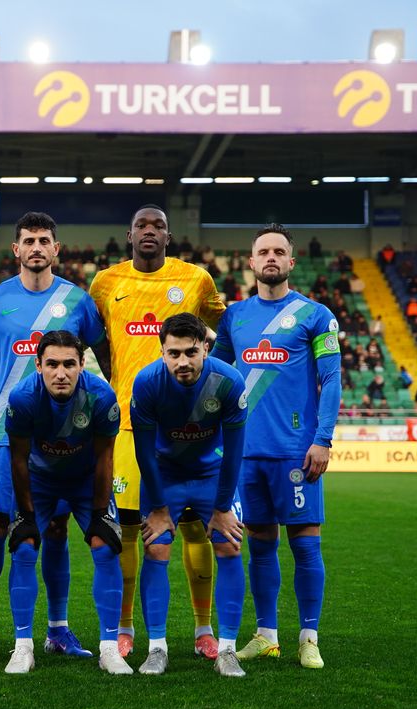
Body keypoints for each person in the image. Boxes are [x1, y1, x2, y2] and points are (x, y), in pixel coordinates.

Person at [0, 211, 107, 657]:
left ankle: (57, 630)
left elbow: (104, 357)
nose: (36, 247)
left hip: (67, 436)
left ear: (56, 249)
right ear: (16, 249)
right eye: (29, 240)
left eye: (44, 240)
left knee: (57, 526)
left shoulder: (78, 300)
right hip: (7, 435)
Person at [88, 204, 227, 659]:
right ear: (129, 235)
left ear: (169, 236)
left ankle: (204, 629)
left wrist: (210, 381)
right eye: (142, 225)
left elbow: (222, 330)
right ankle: (126, 627)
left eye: (159, 226)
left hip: (188, 427)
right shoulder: (105, 282)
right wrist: (117, 380)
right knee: (131, 530)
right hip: (128, 426)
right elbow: (96, 339)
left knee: (194, 529)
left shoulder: (196, 279)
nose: (150, 231)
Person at [212, 223, 341, 670]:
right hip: (245, 453)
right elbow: (216, 376)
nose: (271, 257)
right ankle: (267, 636)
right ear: (250, 262)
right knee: (260, 546)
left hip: (296, 452)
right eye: (263, 251)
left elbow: (331, 378)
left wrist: (323, 439)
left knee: (305, 546)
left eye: (278, 251)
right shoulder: (234, 316)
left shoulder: (315, 315)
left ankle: (309, 637)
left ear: (291, 260)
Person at [1, 331, 129, 675]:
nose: (61, 373)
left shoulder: (101, 396)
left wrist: (100, 513)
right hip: (40, 480)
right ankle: (23, 647)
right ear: (38, 365)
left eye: (69, 364)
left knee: (106, 546)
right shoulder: (23, 397)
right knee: (24, 546)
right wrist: (26, 515)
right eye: (53, 364)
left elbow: (105, 457)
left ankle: (109, 649)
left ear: (82, 364)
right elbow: (18, 459)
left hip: (85, 479)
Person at [132, 314, 249, 678]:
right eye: (174, 353)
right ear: (162, 353)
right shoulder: (147, 383)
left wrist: (223, 507)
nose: (182, 361)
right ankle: (157, 649)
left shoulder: (229, 382)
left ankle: (227, 650)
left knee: (229, 545)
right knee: (156, 548)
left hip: (212, 474)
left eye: (191, 352)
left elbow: (235, 452)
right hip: (164, 476)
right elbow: (143, 452)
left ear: (206, 349)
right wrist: (158, 508)